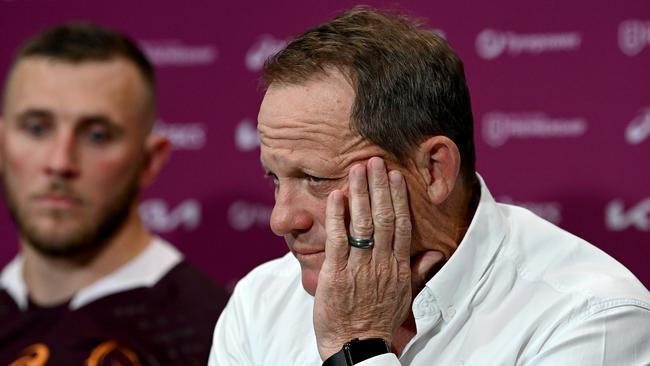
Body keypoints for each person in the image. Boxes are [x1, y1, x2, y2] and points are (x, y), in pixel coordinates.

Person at [209, 7, 650, 366]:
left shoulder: (590, 318)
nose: (282, 218)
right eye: (275, 178)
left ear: (433, 170)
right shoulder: (260, 303)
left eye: (317, 179)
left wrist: (357, 345)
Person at [0, 23, 228, 365]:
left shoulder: (212, 334)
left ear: (149, 160)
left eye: (97, 135)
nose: (60, 162)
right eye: (36, 128)